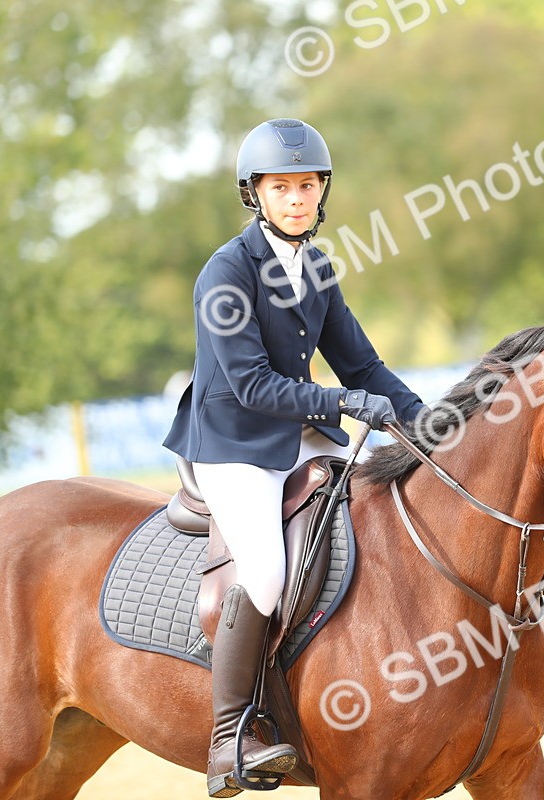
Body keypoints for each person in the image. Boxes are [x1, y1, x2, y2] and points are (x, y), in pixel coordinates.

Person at [163, 118, 425, 797]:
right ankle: (231, 737)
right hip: (234, 442)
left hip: (298, 434)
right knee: (268, 571)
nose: (297, 198)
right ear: (255, 194)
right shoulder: (226, 271)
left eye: (307, 185)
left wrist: (433, 423)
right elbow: (249, 384)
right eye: (282, 187)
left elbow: (362, 364)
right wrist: (342, 404)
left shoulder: (316, 266)